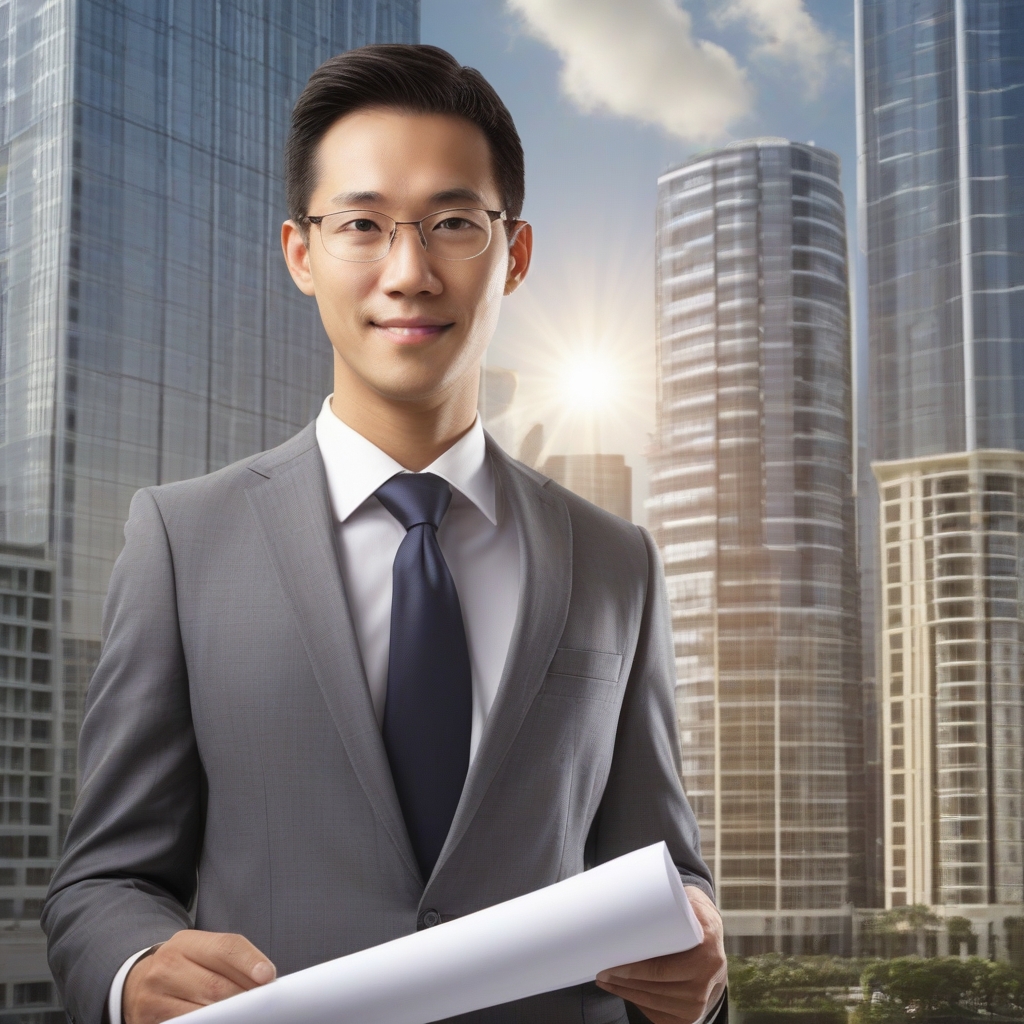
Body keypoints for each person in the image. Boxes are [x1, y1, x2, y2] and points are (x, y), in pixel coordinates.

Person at [42, 44, 727, 1024]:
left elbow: (662, 872)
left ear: (514, 253)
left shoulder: (617, 560)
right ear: (301, 253)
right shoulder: (181, 541)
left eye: (453, 223)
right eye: (362, 224)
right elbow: (99, 881)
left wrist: (695, 964)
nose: (409, 272)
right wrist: (130, 969)